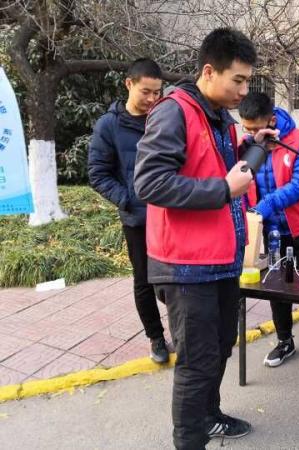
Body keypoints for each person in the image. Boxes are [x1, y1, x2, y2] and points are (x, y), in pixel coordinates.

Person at [134, 28, 275, 450]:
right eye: (238, 80)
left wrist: (253, 147)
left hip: (221, 260)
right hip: (185, 267)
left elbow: (217, 167)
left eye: (248, 81)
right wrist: (222, 189)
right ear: (210, 72)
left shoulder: (219, 118)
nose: (244, 91)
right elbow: (150, 183)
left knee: (220, 347)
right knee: (196, 364)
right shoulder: (174, 112)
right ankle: (189, 441)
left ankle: (209, 417)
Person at [238, 92, 299, 379]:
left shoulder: (298, 140)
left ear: (271, 120)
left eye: (256, 128)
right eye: (246, 129)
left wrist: (266, 205)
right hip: (273, 231)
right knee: (277, 287)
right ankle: (285, 342)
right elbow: (242, 180)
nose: (251, 134)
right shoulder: (249, 145)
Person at [88, 58, 168, 364]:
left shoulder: (164, 117)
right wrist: (128, 200)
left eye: (157, 92)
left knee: (176, 277)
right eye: (146, 91)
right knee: (144, 280)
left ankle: (183, 327)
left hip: (171, 214)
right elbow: (98, 174)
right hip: (137, 218)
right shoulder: (108, 125)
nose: (152, 99)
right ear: (128, 84)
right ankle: (156, 337)